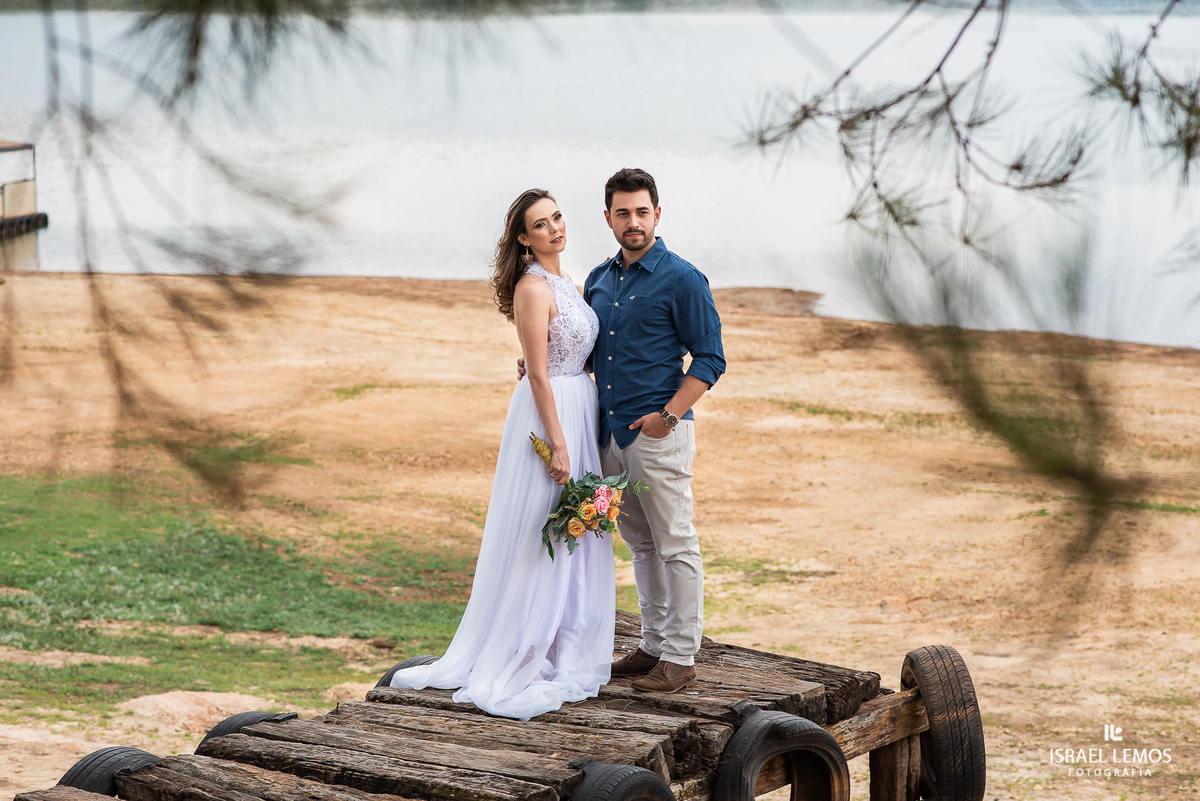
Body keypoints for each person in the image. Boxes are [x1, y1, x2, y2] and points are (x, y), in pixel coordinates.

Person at [388, 189, 614, 720]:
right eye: (541, 224)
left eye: (557, 217)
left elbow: (568, 351)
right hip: (551, 412)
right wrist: (558, 443)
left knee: (577, 524)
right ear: (523, 237)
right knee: (544, 525)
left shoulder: (569, 282)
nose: (555, 228)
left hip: (579, 402)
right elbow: (538, 372)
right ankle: (525, 651)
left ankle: (561, 642)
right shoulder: (532, 288)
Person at [588, 168, 725, 694]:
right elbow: (591, 355)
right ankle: (652, 647)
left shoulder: (682, 278)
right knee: (640, 545)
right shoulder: (599, 279)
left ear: (657, 215)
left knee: (676, 544)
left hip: (659, 433)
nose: (633, 222)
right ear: (609, 219)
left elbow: (711, 358)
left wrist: (666, 418)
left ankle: (682, 657)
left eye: (642, 211)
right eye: (622, 213)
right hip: (612, 438)